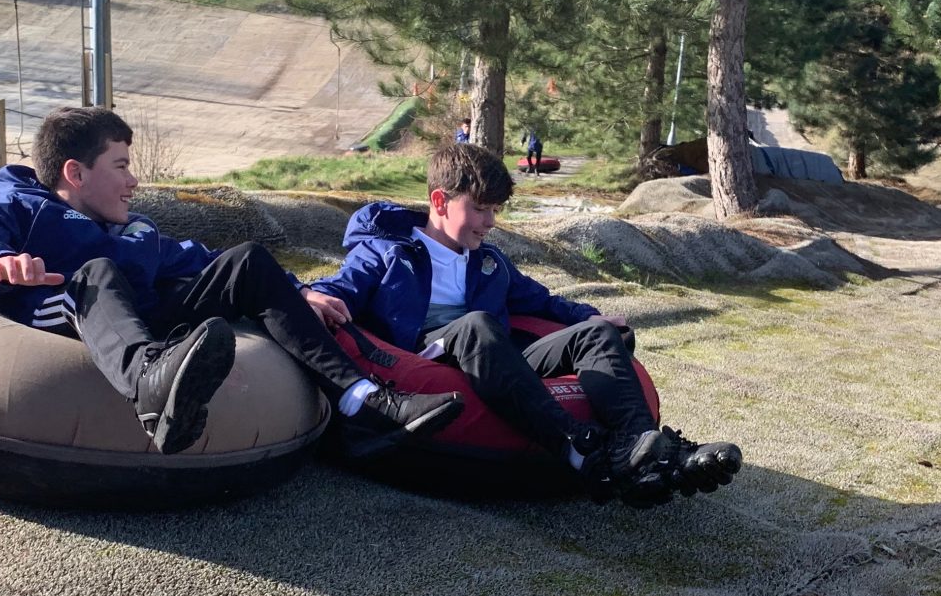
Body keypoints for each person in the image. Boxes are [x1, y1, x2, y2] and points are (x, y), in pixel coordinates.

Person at [0, 107, 462, 458]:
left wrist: (299, 291)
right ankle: (152, 391)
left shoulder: (134, 230)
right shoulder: (20, 209)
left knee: (246, 259)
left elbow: (197, 258)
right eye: (121, 166)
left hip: (145, 318)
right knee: (98, 274)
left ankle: (362, 400)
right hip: (64, 309)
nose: (134, 180)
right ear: (75, 174)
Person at [307, 143, 742, 504]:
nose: (490, 223)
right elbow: (336, 289)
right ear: (439, 201)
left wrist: (593, 317)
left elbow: (543, 302)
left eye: (495, 210)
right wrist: (307, 293)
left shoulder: (490, 263)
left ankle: (643, 447)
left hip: (499, 362)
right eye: (480, 209)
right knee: (476, 323)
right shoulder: (385, 254)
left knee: (596, 334)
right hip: (426, 357)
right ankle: (573, 443)